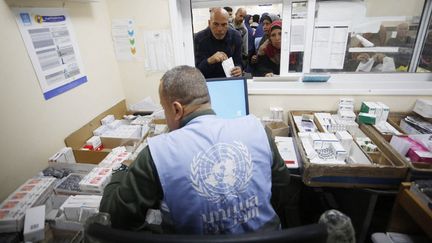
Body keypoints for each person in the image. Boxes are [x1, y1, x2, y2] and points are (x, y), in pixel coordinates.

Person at [100, 65, 291, 234]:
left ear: (176, 109)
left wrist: (120, 171)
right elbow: (282, 183)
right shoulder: (257, 129)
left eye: (164, 109)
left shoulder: (156, 154)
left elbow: (115, 218)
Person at [194, 7, 243, 78]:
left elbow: (239, 61)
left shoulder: (236, 37)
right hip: (207, 81)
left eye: (224, 25)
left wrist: (239, 69)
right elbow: (197, 70)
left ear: (228, 24)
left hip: (229, 80)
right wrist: (210, 60)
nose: (220, 29)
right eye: (216, 24)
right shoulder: (199, 38)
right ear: (209, 23)